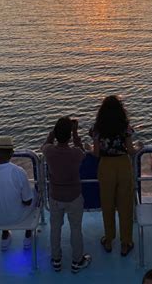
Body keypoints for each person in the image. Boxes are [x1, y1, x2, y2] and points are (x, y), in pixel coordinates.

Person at [91, 94, 142, 256]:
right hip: (123, 164)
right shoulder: (125, 127)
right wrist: (140, 147)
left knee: (107, 205)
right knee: (125, 205)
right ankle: (126, 242)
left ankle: (108, 239)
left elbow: (97, 153)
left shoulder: (98, 128)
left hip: (106, 165)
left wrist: (87, 147)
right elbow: (131, 150)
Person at [42, 116, 91, 273]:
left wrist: (52, 134)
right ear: (69, 135)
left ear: (56, 134)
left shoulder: (49, 151)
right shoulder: (75, 154)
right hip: (74, 196)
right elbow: (82, 151)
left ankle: (56, 259)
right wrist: (76, 134)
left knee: (55, 228)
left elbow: (45, 145)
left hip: (56, 196)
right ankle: (77, 261)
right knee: (76, 229)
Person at [0, 135, 35, 251]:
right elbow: (28, 201)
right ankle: (28, 236)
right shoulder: (18, 171)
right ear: (12, 152)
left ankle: (5, 236)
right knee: (35, 195)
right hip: (16, 218)